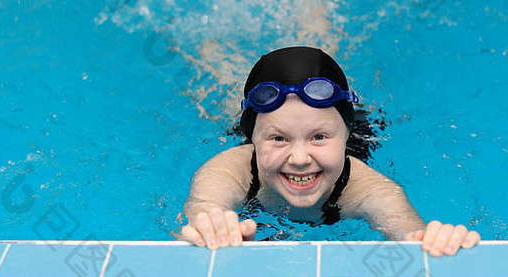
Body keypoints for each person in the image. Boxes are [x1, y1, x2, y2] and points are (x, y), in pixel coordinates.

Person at [180, 46, 480, 257]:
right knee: (216, 88)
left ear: (346, 135)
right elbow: (203, 214)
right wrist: (208, 229)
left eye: (319, 137)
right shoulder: (226, 172)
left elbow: (412, 238)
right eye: (278, 139)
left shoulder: (370, 190)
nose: (299, 159)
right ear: (252, 140)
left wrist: (437, 244)